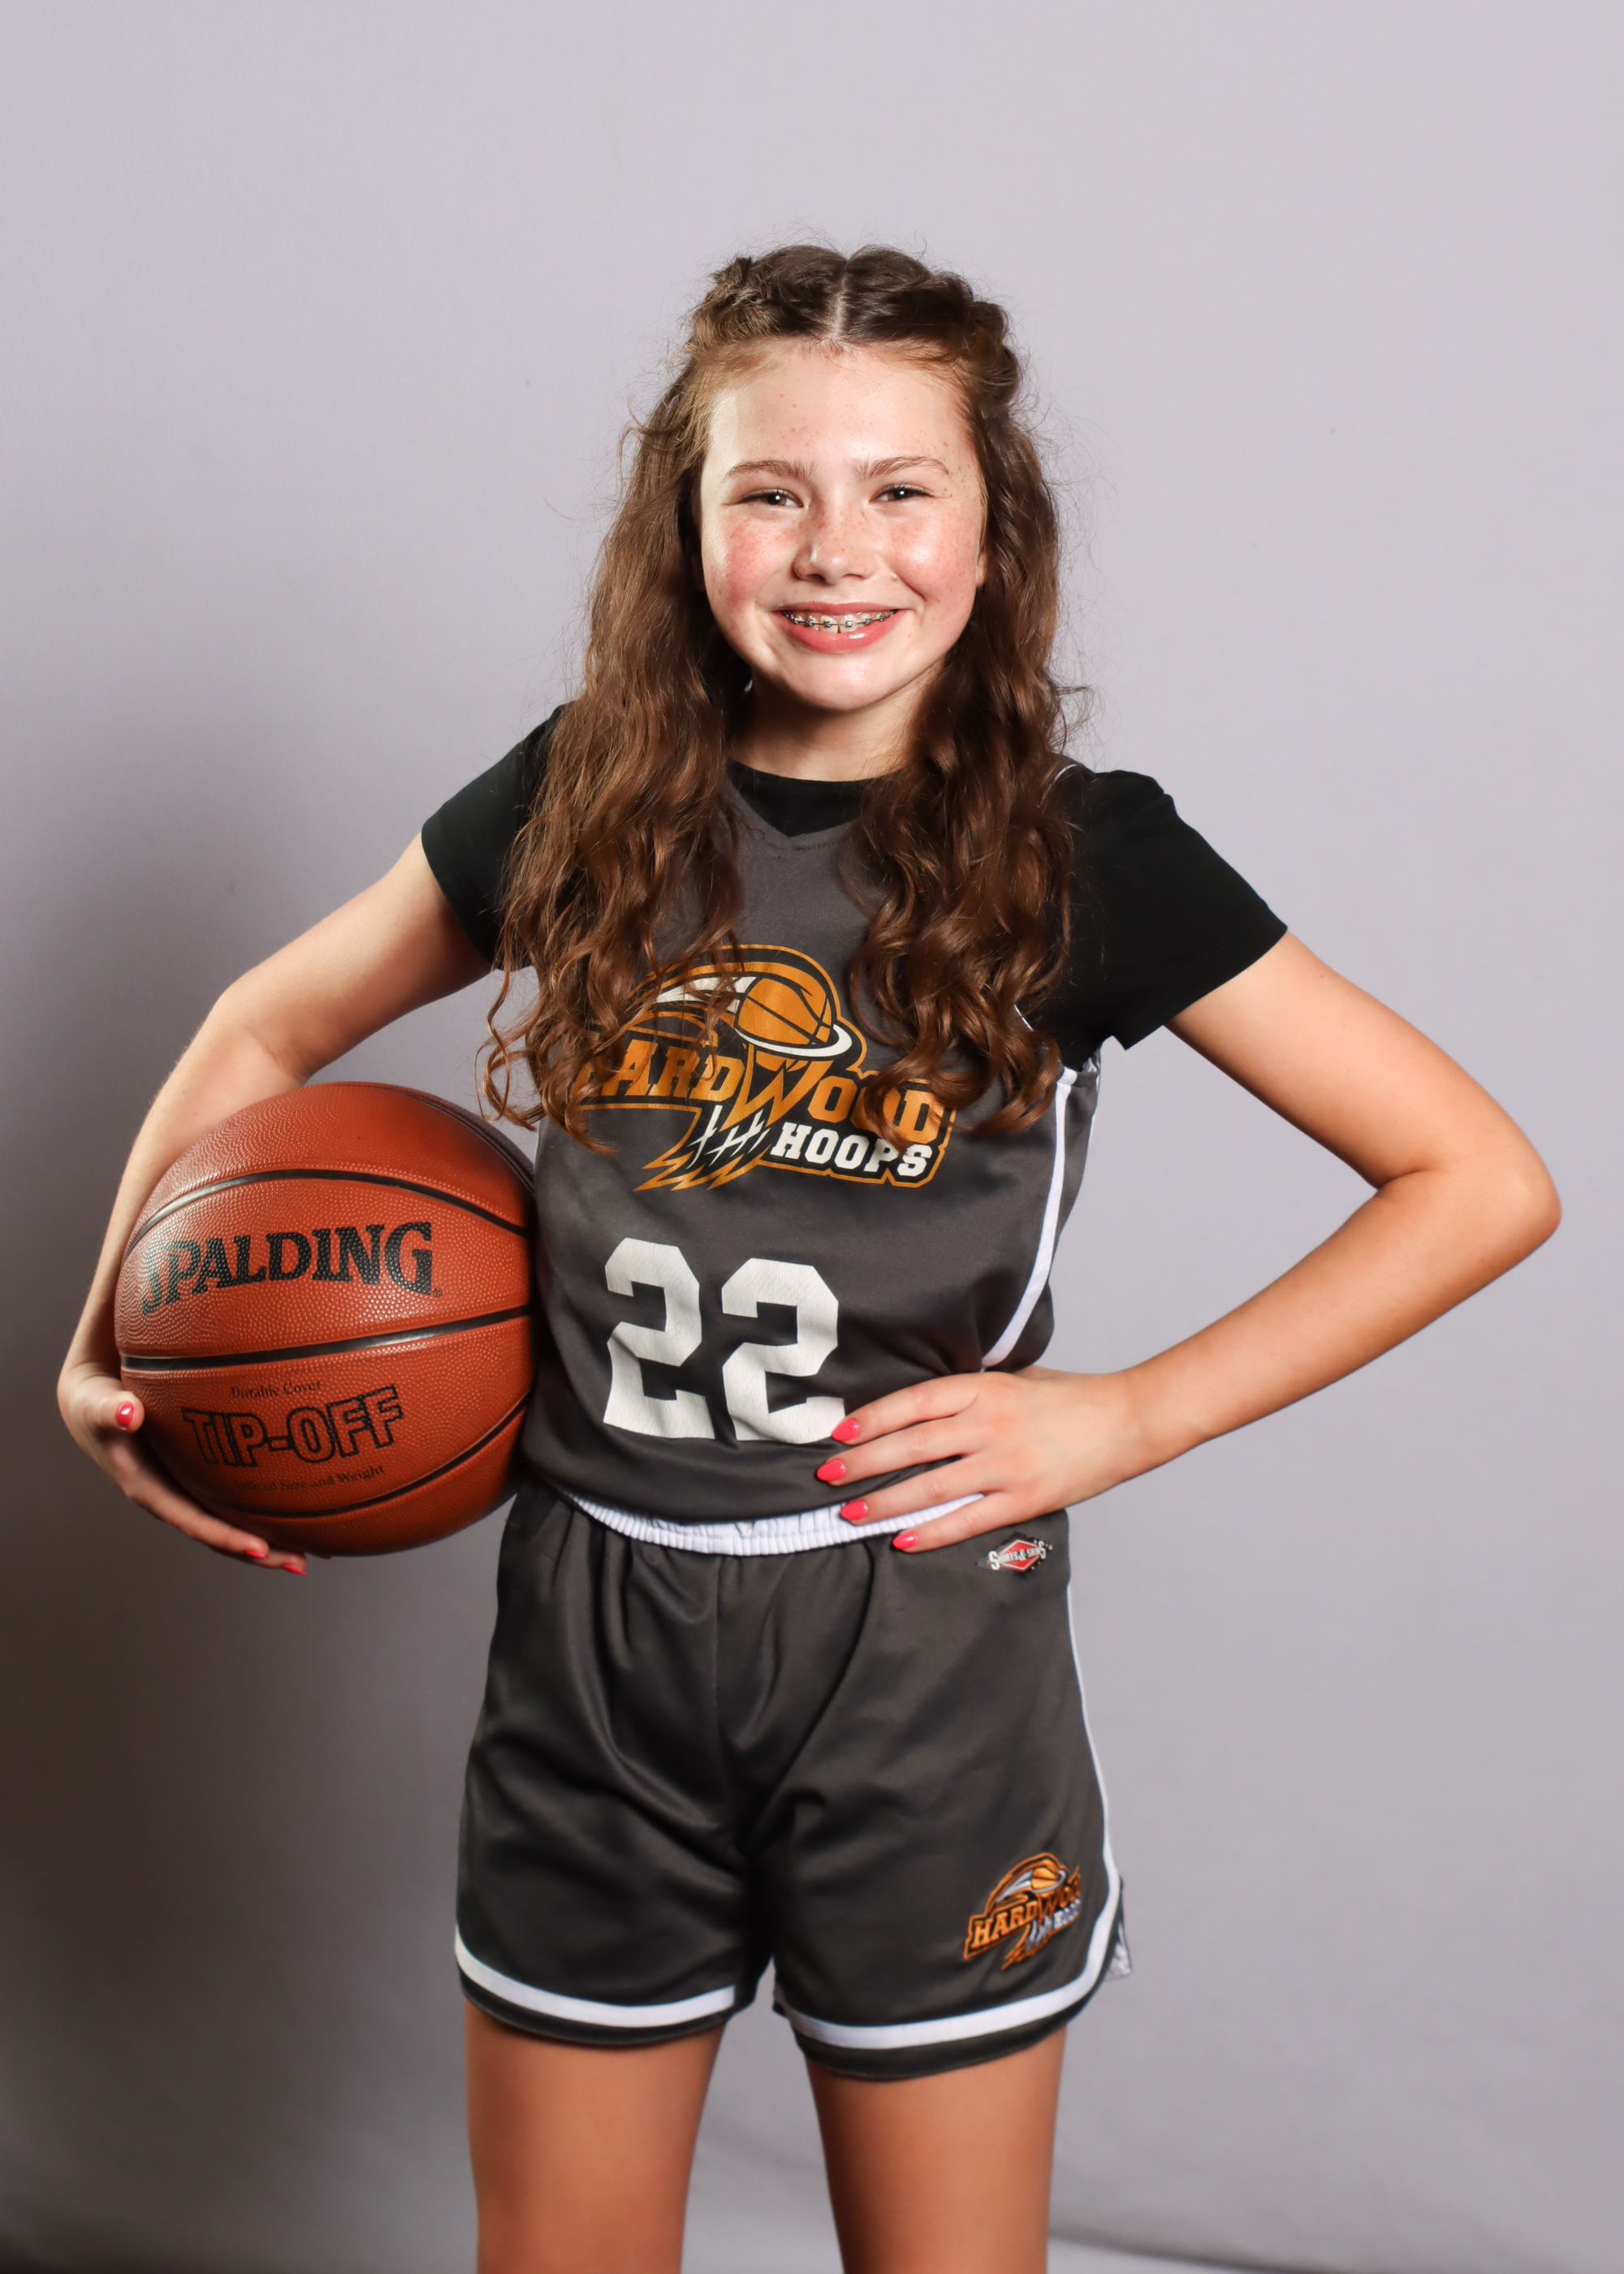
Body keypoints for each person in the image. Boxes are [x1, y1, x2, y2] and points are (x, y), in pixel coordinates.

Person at [58, 245, 1558, 2274]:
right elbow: (263, 1024)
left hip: (913, 1637)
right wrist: (116, 1328)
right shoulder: (585, 794)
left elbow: (1475, 1175)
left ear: (990, 530)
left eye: (899, 488)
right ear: (683, 525)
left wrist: (1128, 1415)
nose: (836, 547)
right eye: (770, 490)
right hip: (594, 1622)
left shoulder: (1081, 853)